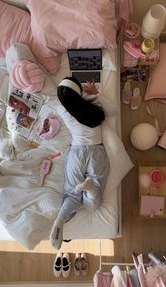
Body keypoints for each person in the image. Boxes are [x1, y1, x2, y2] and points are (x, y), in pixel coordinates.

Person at [50, 77, 117, 250]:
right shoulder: (93, 106)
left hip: (77, 153)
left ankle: (61, 219)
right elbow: (113, 111)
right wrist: (96, 94)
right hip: (97, 151)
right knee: (93, 205)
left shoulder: (62, 109)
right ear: (80, 92)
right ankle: (91, 188)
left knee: (72, 195)